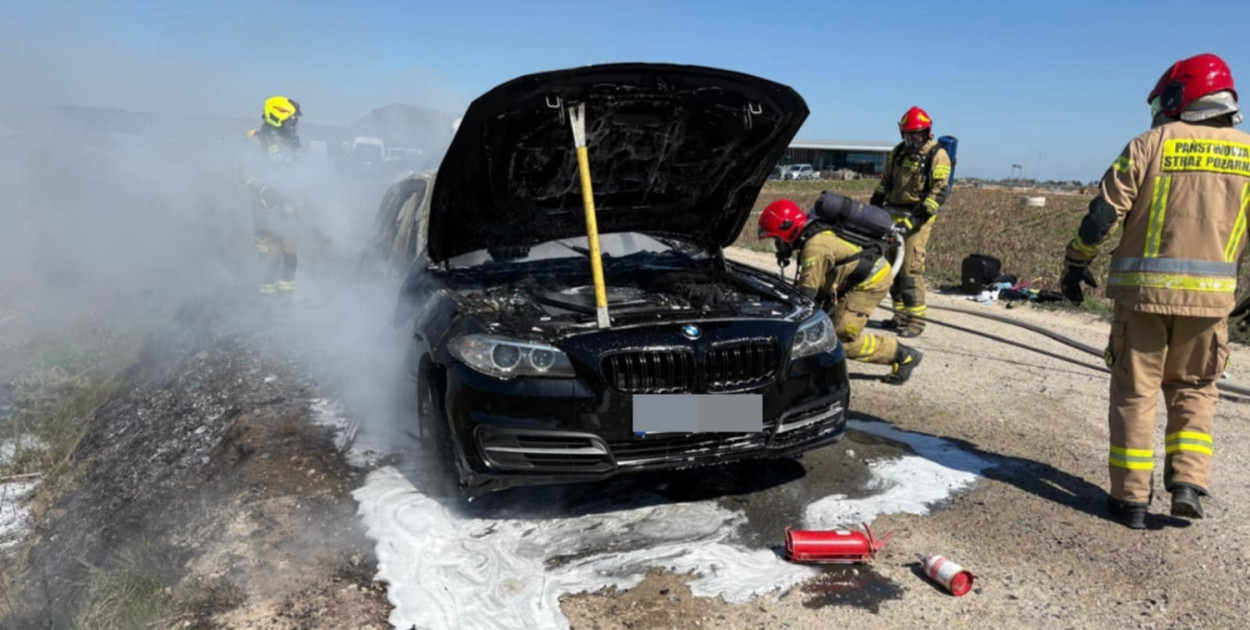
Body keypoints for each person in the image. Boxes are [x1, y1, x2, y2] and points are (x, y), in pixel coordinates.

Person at [1062, 53, 1249, 529]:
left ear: (1175, 97)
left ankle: (1131, 501)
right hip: (1210, 305)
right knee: (1195, 390)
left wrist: (1076, 260)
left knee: (1135, 393)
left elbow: (1102, 216)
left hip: (1142, 301)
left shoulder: (1150, 143)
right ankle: (1187, 484)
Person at [758, 198, 923, 384]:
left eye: (777, 241)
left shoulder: (814, 247)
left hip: (870, 282)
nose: (778, 248)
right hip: (855, 279)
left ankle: (902, 355)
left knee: (841, 340)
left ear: (787, 228)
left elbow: (805, 295)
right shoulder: (813, 236)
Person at [869, 106, 952, 338]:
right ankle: (900, 316)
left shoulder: (938, 155)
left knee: (909, 269)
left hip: (918, 217)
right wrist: (874, 205)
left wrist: (915, 219)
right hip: (891, 214)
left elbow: (939, 192)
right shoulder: (898, 152)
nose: (911, 139)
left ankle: (916, 321)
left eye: (915, 134)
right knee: (891, 267)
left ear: (926, 133)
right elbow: (885, 182)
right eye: (907, 134)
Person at [243, 96, 302, 299]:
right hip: (265, 213)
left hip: (288, 212)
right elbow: (245, 175)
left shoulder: (291, 143)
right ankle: (267, 305)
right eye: (290, 121)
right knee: (269, 260)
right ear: (276, 118)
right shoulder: (258, 142)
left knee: (290, 258)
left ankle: (286, 302)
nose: (293, 126)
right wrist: (266, 191)